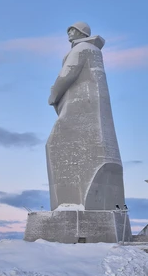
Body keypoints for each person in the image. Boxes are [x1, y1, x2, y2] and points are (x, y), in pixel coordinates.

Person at [46, 22, 126, 211]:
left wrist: (53, 95)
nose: (69, 33)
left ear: (82, 33)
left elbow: (67, 74)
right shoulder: (94, 51)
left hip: (80, 104)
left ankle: (71, 205)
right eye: (68, 30)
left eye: (73, 30)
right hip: (93, 106)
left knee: (54, 143)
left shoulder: (82, 48)